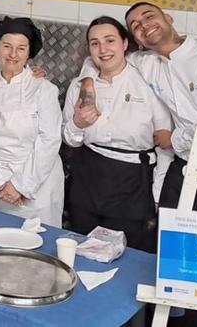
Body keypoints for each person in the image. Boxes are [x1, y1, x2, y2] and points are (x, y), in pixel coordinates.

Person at [78, 2, 197, 217]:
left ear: (168, 18)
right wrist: (87, 81)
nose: (144, 25)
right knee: (167, 247)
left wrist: (174, 140)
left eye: (149, 17)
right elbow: (105, 58)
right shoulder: (147, 63)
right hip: (183, 171)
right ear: (136, 40)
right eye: (135, 25)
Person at [62, 17, 172, 253]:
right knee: (82, 248)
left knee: (131, 254)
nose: (103, 49)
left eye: (110, 40)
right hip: (88, 175)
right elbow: (70, 139)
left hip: (134, 179)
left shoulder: (147, 82)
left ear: (124, 44)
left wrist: (156, 198)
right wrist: (77, 123)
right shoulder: (79, 86)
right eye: (94, 43)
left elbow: (164, 145)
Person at [0, 17, 64, 226]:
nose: (13, 54)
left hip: (36, 186)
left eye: (21, 48)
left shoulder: (44, 90)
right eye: (7, 46)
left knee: (36, 250)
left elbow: (49, 141)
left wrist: (19, 186)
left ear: (29, 53)